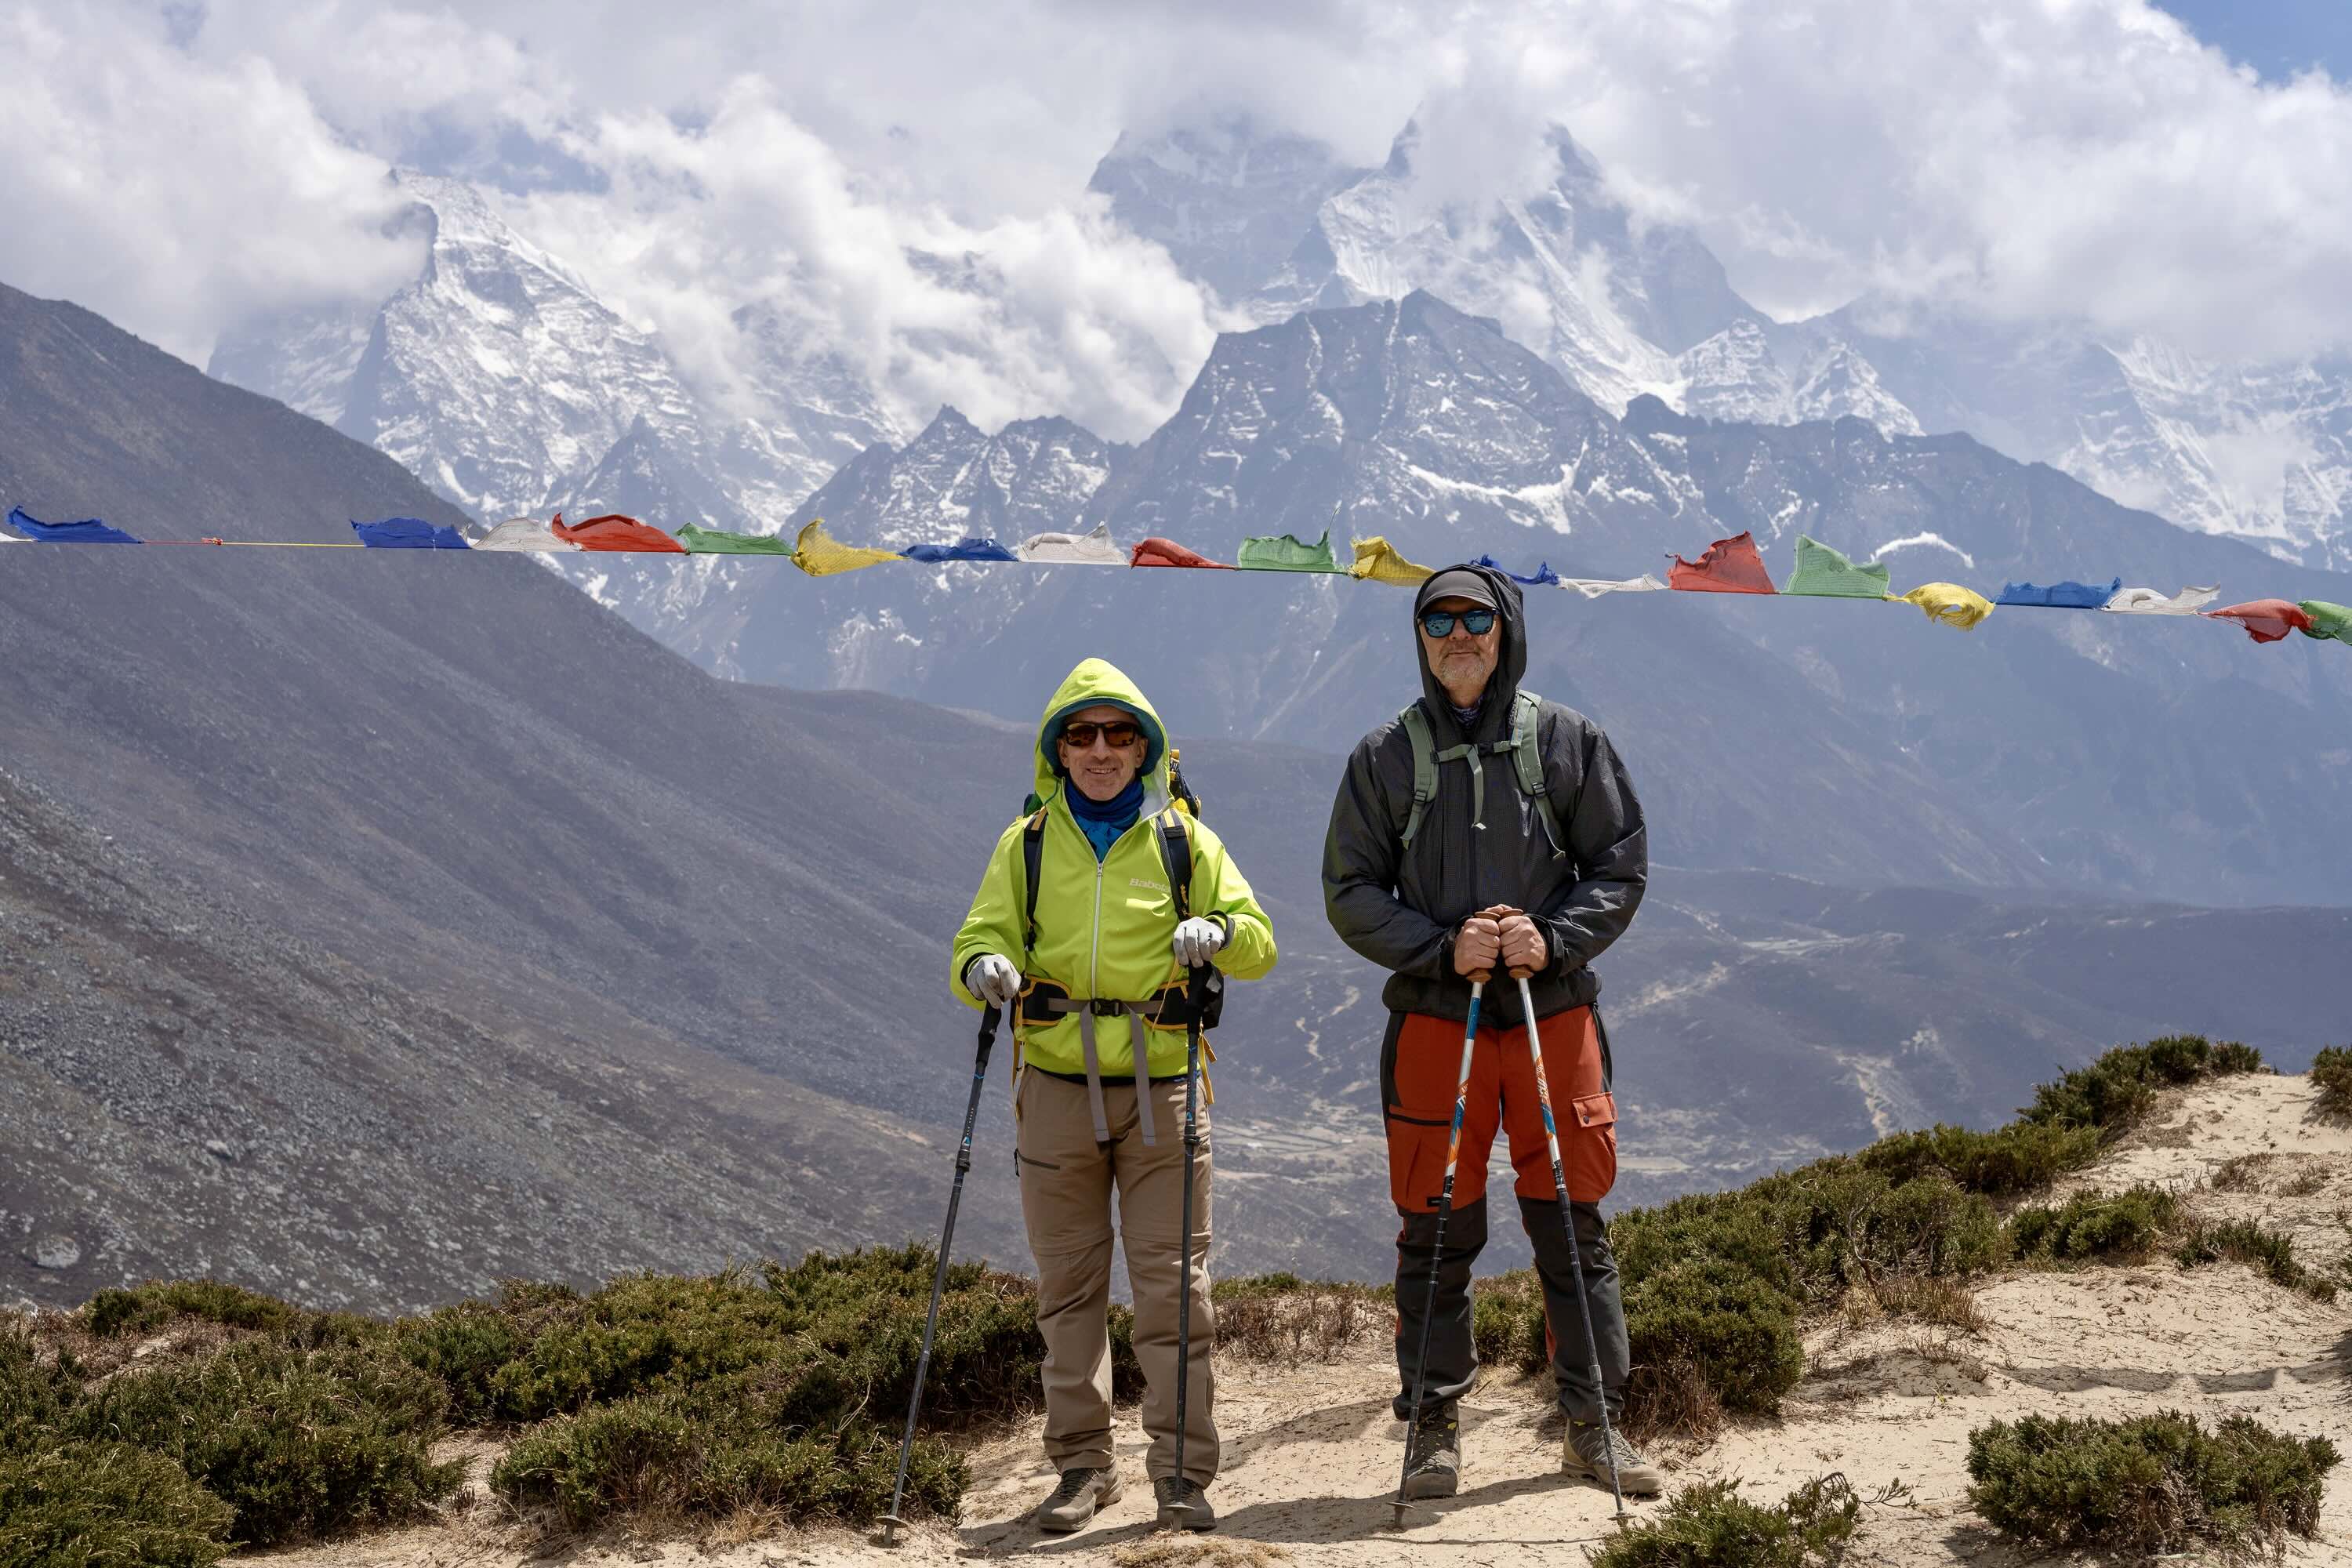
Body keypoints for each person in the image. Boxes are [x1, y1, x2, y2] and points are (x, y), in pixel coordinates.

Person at [1320, 561, 1662, 1500]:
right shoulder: (1386, 757)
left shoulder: (1566, 741)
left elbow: (1619, 866)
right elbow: (1348, 891)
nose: (1458, 633)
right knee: (1434, 1229)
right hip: (1437, 1018)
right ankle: (1431, 1427)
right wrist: (1442, 946)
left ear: (1506, 628)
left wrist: (1550, 938)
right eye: (1439, 618)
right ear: (1421, 636)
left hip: (1549, 1013)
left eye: (1476, 616)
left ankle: (1595, 1423)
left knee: (1571, 1223)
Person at [953, 657, 1277, 1533]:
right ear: (1057, 749)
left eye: (1118, 733)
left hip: (1163, 1080)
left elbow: (1259, 941)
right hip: (1054, 1080)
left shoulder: (1184, 839)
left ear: (1146, 746)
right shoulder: (1024, 842)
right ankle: (1080, 1467)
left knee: (1174, 1287)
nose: (1100, 750)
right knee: (1069, 1286)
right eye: (1082, 734)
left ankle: (1181, 1471)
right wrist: (981, 965)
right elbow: (979, 935)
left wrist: (1222, 930)